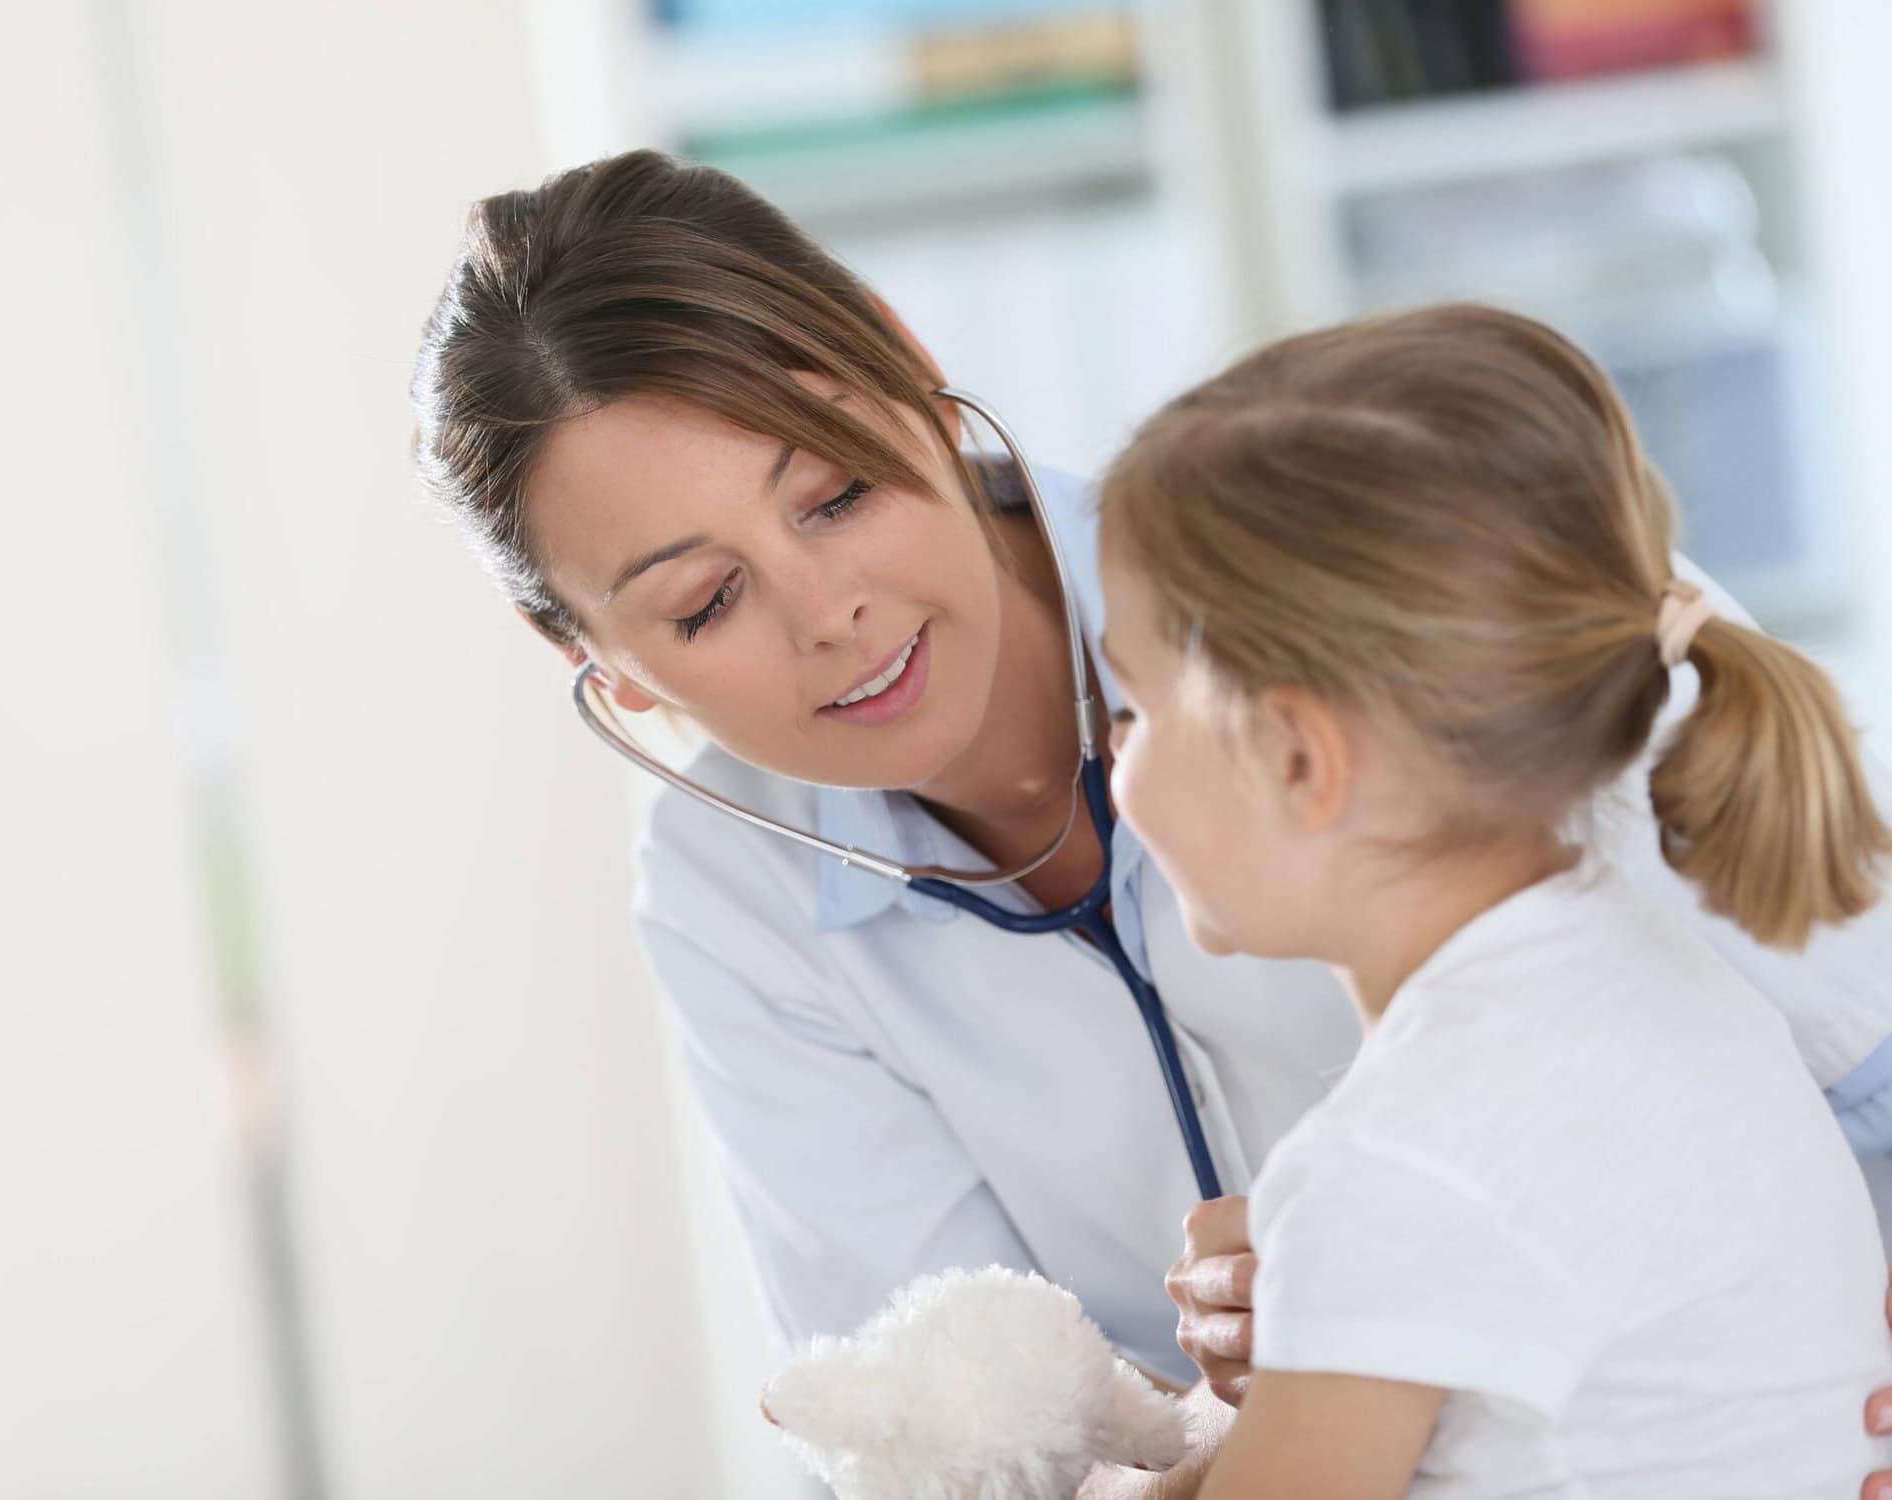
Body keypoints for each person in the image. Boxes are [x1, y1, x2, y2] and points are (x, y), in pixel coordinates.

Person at [408, 149, 1892, 1495]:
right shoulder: (729, 892)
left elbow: (1856, 1042)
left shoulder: (1367, 561)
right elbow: (936, 1428)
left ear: (913, 364)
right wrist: (1294, 1339)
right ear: (593, 661)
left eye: (839, 492)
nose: (825, 613)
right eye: (704, 601)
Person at [1087, 302, 1892, 1497]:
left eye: (1137, 709)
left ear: (1301, 761)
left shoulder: (1394, 1160)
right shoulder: (1670, 990)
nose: (1110, 753)